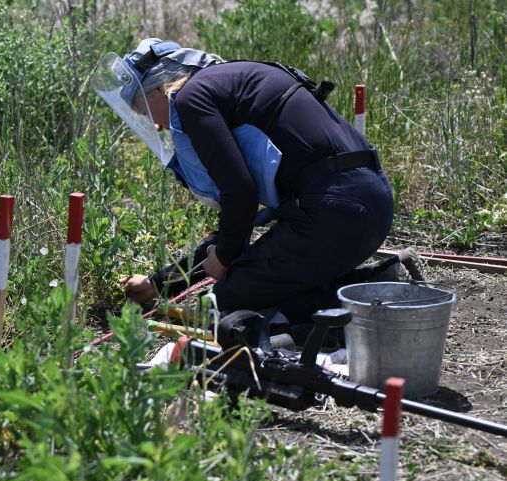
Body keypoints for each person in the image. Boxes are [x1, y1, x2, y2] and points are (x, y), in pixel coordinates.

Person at [92, 38, 396, 324]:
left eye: (145, 111)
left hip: (337, 214)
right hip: (367, 205)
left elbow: (241, 195)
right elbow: (239, 216)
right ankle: (370, 285)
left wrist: (223, 258)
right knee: (245, 282)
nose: (157, 125)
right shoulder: (226, 82)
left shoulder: (191, 99)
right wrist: (161, 283)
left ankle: (376, 294)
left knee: (225, 302)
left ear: (160, 88)